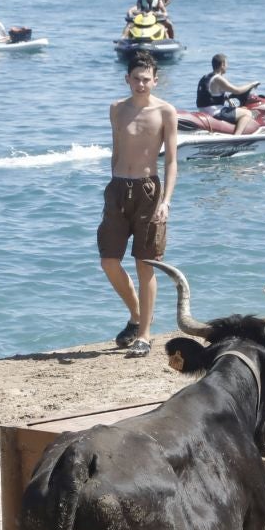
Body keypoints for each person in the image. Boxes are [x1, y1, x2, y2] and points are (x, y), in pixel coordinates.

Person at [97, 51, 180, 359]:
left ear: (155, 80)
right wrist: (114, 187)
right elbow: (116, 151)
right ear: (127, 79)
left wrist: (166, 201)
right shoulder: (116, 109)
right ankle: (136, 313)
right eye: (136, 79)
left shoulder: (166, 111)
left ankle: (144, 335)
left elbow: (171, 161)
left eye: (147, 79)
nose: (141, 84)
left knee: (145, 265)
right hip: (118, 189)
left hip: (149, 190)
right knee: (109, 260)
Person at [196, 53, 262, 134]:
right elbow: (237, 90)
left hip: (203, 110)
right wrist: (252, 84)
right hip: (214, 112)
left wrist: (228, 100)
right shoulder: (218, 78)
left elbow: (211, 94)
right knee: (247, 113)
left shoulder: (206, 77)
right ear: (223, 64)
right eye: (227, 64)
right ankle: (236, 137)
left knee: (238, 110)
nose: (227, 66)